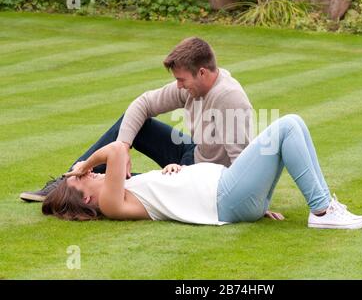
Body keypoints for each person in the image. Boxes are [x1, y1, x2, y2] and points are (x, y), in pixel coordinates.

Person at [20, 37, 253, 202]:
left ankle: (76, 191)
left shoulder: (229, 98)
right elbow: (143, 104)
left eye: (182, 79)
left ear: (202, 72)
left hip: (204, 176)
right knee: (133, 125)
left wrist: (252, 203)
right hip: (194, 151)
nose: (179, 85)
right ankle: (68, 179)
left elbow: (242, 162)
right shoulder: (191, 87)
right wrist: (123, 146)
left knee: (139, 186)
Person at [42, 115, 362, 229]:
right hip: (226, 196)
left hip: (232, 193)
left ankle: (326, 207)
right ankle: (323, 210)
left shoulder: (126, 191)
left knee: (291, 127)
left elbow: (166, 193)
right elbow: (115, 149)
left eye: (88, 172)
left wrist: (175, 171)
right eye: (88, 177)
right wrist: (81, 165)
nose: (94, 173)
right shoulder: (111, 204)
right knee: (285, 127)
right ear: (85, 197)